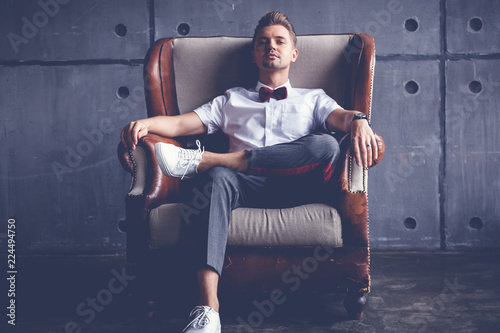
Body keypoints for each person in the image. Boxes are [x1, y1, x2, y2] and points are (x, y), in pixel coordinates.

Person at [120, 11, 377, 333]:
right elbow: (179, 123)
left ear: (293, 53)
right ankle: (207, 310)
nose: (271, 46)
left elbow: (342, 118)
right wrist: (145, 124)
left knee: (326, 145)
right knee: (216, 180)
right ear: (254, 53)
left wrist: (359, 120)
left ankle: (214, 159)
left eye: (279, 41)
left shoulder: (314, 99)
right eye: (263, 42)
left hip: (299, 184)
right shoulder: (232, 100)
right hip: (243, 187)